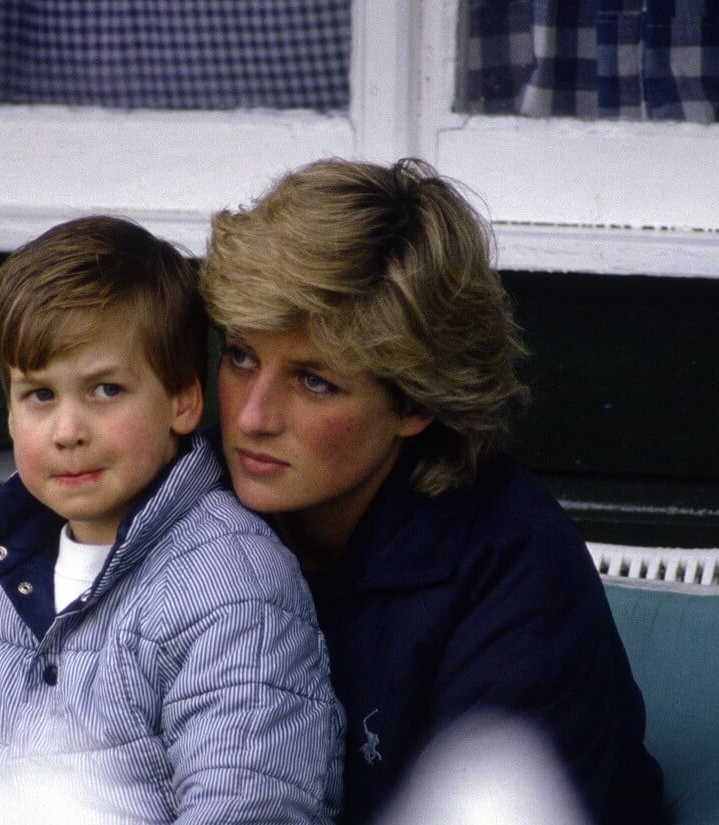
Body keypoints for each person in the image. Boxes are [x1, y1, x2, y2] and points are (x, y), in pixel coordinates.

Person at [199, 158, 667, 825]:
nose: (250, 416)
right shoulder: (188, 506)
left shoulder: (514, 572)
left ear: (415, 403)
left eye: (314, 382)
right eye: (240, 356)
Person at [0, 216, 344, 823]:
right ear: (9, 413)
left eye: (105, 391)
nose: (68, 432)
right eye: (40, 395)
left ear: (182, 401)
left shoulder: (231, 588)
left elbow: (247, 803)